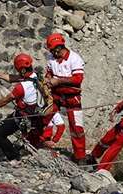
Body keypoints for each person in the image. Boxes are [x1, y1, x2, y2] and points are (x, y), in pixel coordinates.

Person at [0, 53, 44, 161]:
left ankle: (14, 157)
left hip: (22, 117)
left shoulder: (22, 87)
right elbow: (13, 78)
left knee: (0, 134)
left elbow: (5, 100)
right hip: (28, 114)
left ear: (23, 70)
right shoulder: (34, 77)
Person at [44, 33, 87, 165]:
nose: (52, 53)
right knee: (45, 118)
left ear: (58, 48)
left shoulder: (75, 59)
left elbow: (78, 79)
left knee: (76, 127)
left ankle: (80, 157)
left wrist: (59, 81)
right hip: (56, 95)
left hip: (72, 97)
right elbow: (49, 73)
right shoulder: (51, 58)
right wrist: (48, 79)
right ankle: (41, 144)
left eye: (53, 50)